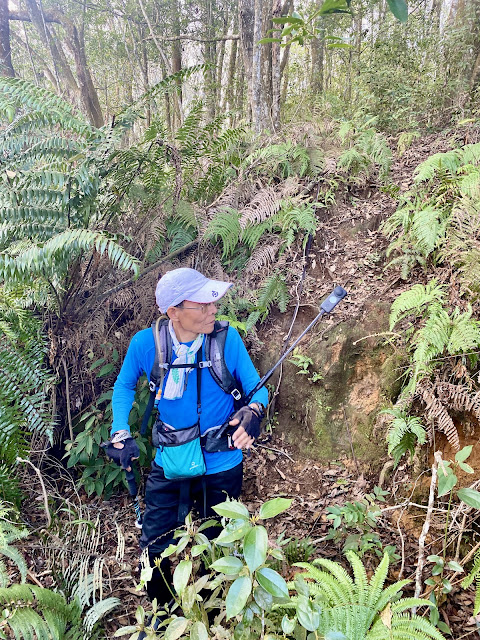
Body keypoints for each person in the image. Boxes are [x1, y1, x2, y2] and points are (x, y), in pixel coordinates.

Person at [106, 267, 268, 606]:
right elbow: (123, 386)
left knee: (218, 541)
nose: (213, 310)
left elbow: (256, 389)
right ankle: (162, 614)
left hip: (221, 460)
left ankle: (211, 613)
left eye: (213, 303)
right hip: (170, 460)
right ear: (174, 312)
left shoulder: (227, 340)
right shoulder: (146, 345)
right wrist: (120, 431)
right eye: (203, 305)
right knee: (155, 545)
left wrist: (254, 412)